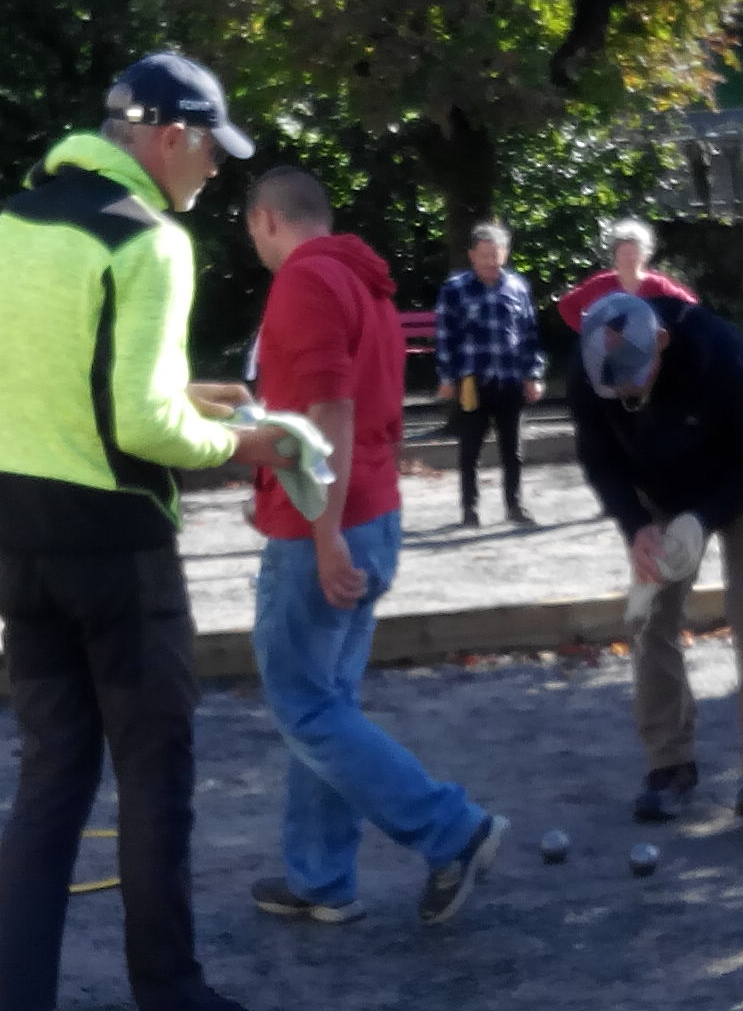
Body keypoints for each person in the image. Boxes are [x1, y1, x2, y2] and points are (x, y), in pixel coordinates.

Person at [0, 51, 300, 1011]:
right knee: (155, 777)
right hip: (117, 551)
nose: (215, 171)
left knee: (50, 782)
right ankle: (172, 1010)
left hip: (21, 543)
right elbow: (142, 427)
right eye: (210, 150)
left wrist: (194, 394)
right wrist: (250, 444)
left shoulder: (17, 220)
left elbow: (63, 383)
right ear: (169, 137)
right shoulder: (150, 239)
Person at [239, 166, 509, 928]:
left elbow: (330, 410)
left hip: (324, 522)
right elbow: (339, 406)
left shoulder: (305, 280)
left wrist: (323, 533)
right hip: (374, 511)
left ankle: (454, 831)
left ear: (266, 220)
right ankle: (321, 879)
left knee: (304, 707)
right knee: (328, 704)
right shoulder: (364, 280)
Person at [570, 290, 743, 833]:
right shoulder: (589, 367)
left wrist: (703, 517)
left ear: (663, 342)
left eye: (634, 377)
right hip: (662, 491)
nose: (626, 392)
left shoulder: (719, 351)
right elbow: (599, 457)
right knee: (649, 615)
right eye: (614, 385)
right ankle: (668, 765)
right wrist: (636, 526)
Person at [433, 224, 544, 528]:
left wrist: (533, 375)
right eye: (484, 255)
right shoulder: (454, 289)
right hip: (473, 382)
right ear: (472, 255)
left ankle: (515, 505)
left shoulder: (518, 287)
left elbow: (529, 334)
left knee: (513, 450)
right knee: (470, 449)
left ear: (505, 254)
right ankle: (469, 510)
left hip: (510, 379)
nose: (490, 262)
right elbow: (445, 336)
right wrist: (446, 376)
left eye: (496, 255)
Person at [555, 217, 699, 331]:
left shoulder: (658, 285)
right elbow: (567, 305)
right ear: (615, 256)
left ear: (644, 256)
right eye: (624, 253)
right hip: (611, 354)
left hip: (652, 353)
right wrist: (590, 331)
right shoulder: (601, 284)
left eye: (634, 253)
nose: (629, 259)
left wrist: (673, 333)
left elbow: (691, 307)